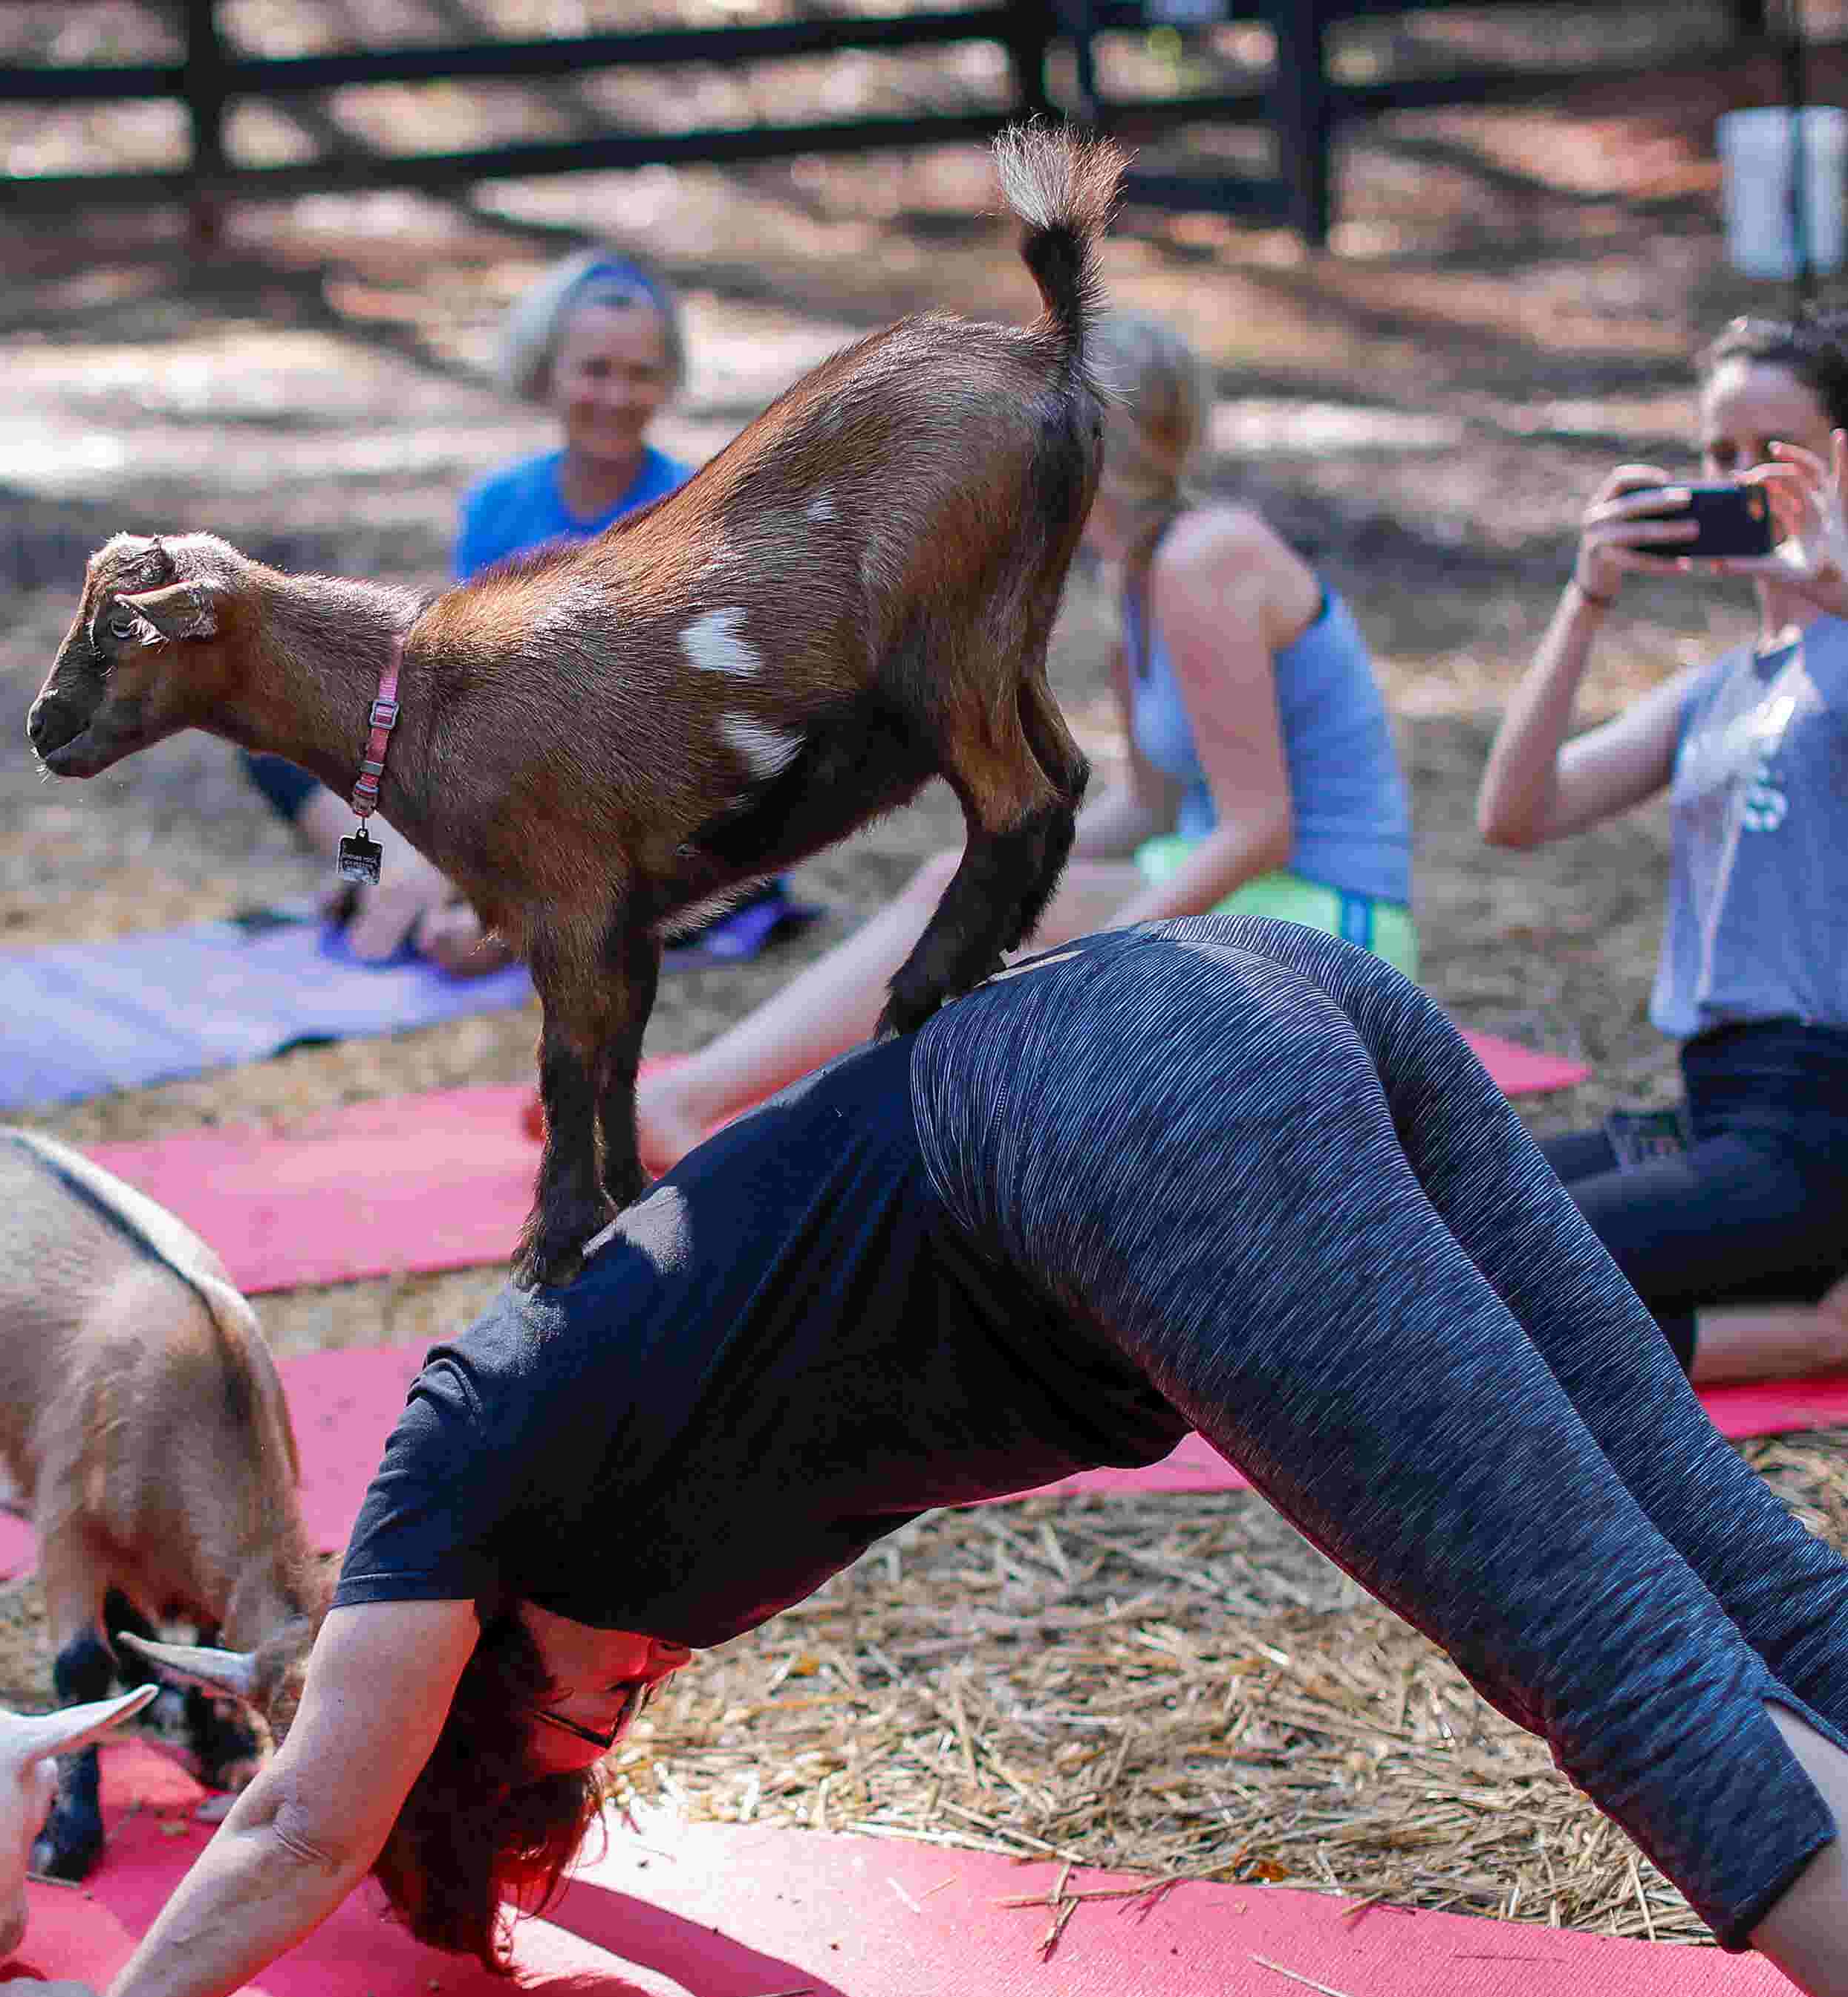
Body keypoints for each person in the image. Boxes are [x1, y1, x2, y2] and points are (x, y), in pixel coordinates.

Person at [0, 916, 1848, 1997]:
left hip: (1135, 1115)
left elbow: (312, 1819)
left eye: (580, 1736)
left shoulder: (457, 1460)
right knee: (1733, 1571)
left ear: (480, 1713)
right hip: (1243, 1008)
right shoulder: (588, 1508)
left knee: (1621, 1666)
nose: (630, 1706)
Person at [617, 310, 1415, 1174]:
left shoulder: (1205, 561)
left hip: (1339, 927)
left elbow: (1260, 826)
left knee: (986, 929)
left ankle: (707, 1108)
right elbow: (1152, 806)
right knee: (958, 891)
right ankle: (714, 1107)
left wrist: (1102, 944)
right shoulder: (1137, 577)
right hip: (1259, 897)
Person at [1475, 305, 1848, 1386]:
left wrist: (1831, 580)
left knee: (1502, 1273)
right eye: (1713, 454)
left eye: (1764, 455)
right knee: (1438, 1221)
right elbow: (1515, 812)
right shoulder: (1715, 693)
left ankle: (1807, 1338)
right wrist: (1586, 597)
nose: (1730, 480)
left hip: (1820, 1122)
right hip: (1715, 1110)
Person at [243, 249, 703, 975]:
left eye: (639, 373)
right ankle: (406, 876)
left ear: (665, 382)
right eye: (594, 370)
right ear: (547, 373)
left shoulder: (691, 510)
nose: (615, 395)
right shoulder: (498, 502)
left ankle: (450, 898)